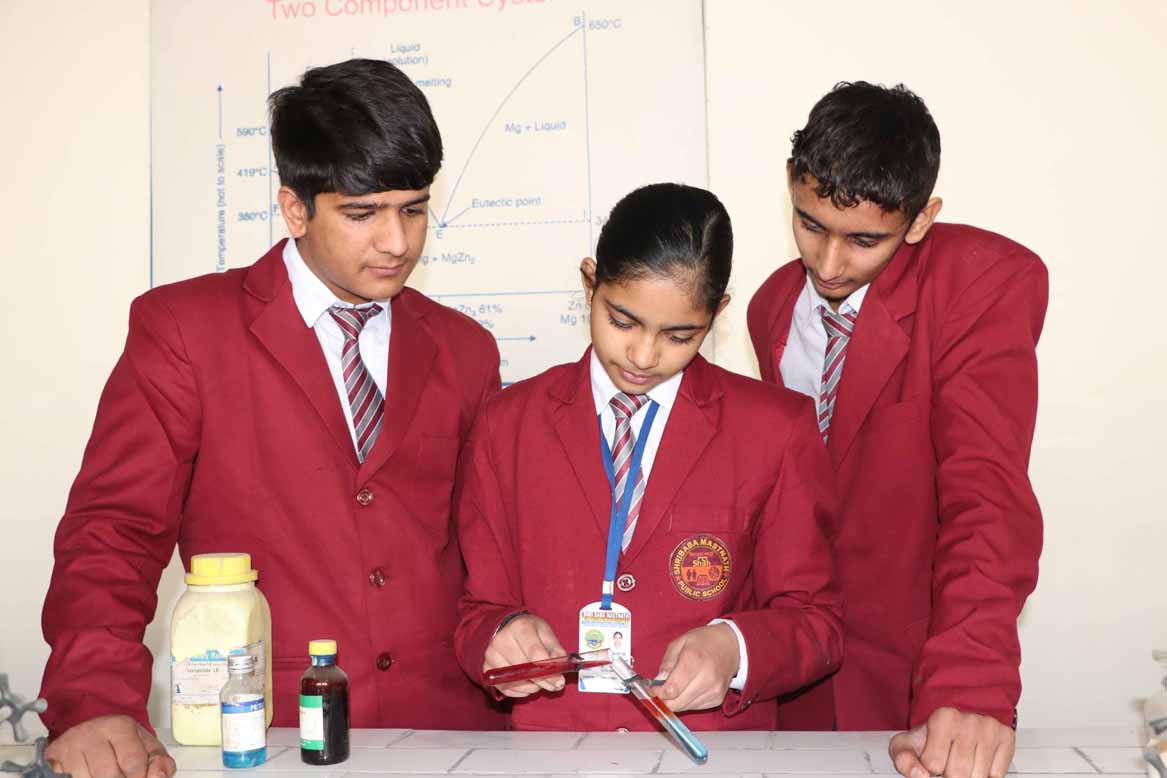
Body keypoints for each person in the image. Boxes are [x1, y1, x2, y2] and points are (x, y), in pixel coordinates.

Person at [39, 58, 503, 778]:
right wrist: (94, 699)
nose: (398, 242)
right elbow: (115, 529)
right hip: (266, 731)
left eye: (414, 209)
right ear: (294, 208)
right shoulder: (185, 330)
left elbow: (493, 546)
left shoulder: (465, 348)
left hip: (451, 732)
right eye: (362, 214)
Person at [455, 183, 842, 731]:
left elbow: (817, 623)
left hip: (711, 755)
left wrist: (735, 649)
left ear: (717, 313)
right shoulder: (507, 424)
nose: (643, 356)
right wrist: (498, 635)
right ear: (590, 283)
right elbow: (476, 612)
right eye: (622, 321)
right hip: (554, 751)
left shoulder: (774, 430)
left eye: (679, 336)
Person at [746, 81, 1047, 778]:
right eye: (810, 225)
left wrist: (970, 680)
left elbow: (986, 494)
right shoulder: (769, 307)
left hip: (919, 679)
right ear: (790, 183)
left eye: (863, 240)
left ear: (920, 219)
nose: (827, 264)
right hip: (796, 683)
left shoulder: (978, 282)